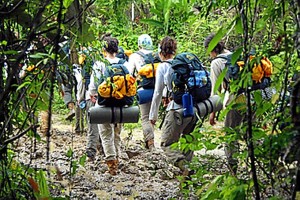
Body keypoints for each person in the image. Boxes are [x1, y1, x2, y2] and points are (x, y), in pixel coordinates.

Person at [149, 36, 196, 174]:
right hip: (194, 107)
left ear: (161, 52)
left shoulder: (163, 66)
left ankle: (184, 168)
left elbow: (157, 92)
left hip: (177, 109)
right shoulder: (183, 64)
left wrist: (153, 116)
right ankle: (187, 175)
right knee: (188, 139)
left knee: (166, 143)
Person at [88, 36, 130, 175]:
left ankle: (112, 165)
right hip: (121, 105)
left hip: (103, 105)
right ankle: (117, 157)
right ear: (117, 49)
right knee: (116, 134)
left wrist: (92, 94)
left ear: (104, 49)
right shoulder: (125, 65)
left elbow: (93, 85)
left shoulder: (99, 64)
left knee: (106, 135)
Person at [204, 33, 243, 175]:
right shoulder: (235, 55)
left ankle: (233, 170)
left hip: (236, 98)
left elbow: (215, 91)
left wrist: (212, 114)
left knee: (230, 133)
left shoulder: (216, 62)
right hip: (251, 96)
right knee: (248, 131)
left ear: (212, 49)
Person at [128, 34, 156, 149]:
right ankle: (151, 139)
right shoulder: (156, 55)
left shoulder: (135, 56)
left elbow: (129, 74)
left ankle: (150, 141)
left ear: (139, 44)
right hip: (157, 90)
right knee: (153, 116)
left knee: (145, 117)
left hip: (143, 90)